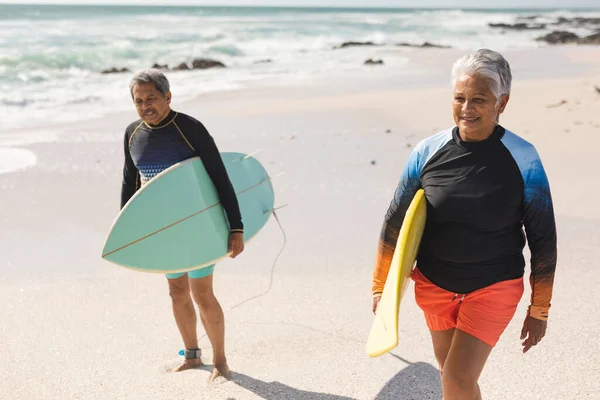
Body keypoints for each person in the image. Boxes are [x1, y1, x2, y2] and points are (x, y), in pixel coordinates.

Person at [371, 49, 557, 400]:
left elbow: (543, 237)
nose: (467, 109)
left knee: (456, 379)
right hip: (434, 285)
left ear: (502, 103)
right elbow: (396, 220)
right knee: (453, 377)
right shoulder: (428, 151)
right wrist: (382, 286)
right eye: (460, 98)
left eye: (479, 99)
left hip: (493, 286)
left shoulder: (524, 158)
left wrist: (540, 308)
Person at [121, 69, 244, 380]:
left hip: (198, 223)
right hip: (164, 228)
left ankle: (220, 361)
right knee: (176, 291)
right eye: (138, 101)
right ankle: (191, 355)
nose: (145, 105)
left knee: (202, 293)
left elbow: (219, 177)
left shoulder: (189, 128)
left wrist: (236, 227)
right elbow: (130, 183)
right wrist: (127, 230)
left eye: (151, 97)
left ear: (167, 96)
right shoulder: (132, 134)